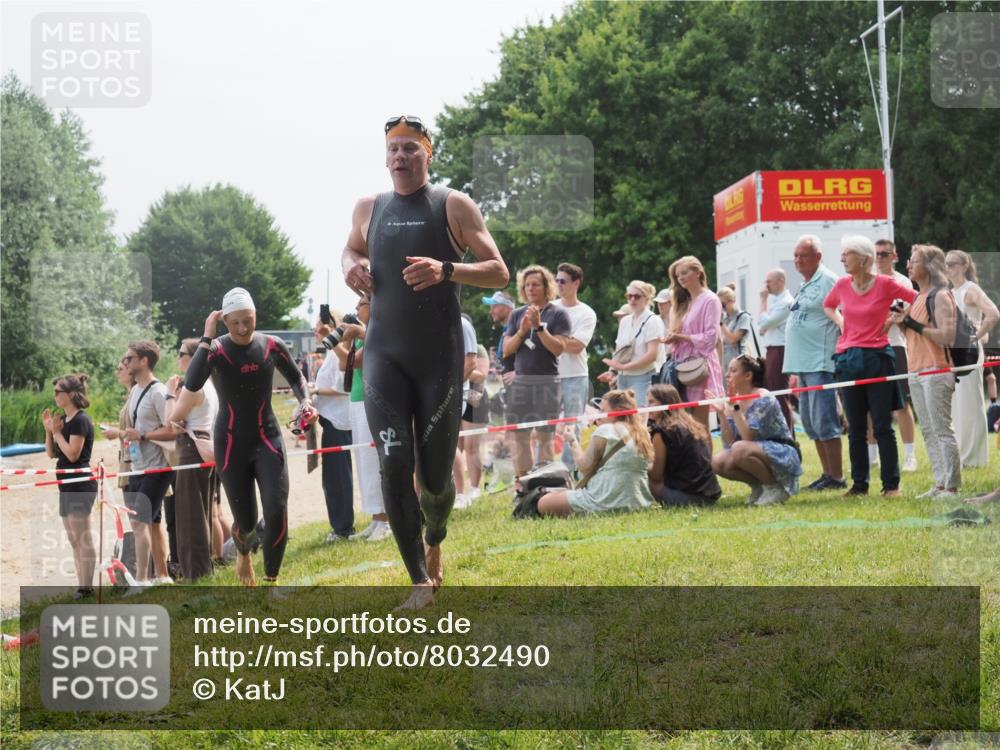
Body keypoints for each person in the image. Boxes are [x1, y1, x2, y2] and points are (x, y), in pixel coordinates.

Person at [341, 115, 509, 609]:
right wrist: (352, 268)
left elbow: (499, 272)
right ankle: (418, 581)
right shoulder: (369, 207)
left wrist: (448, 269)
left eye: (410, 148)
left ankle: (436, 535)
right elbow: (350, 250)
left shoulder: (451, 205)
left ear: (428, 154)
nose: (400, 156)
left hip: (438, 356)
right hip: (383, 356)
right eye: (393, 148)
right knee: (394, 466)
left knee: (435, 482)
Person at [184, 288, 317, 586]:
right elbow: (192, 384)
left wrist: (304, 401)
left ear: (256, 316)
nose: (243, 329)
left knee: (276, 509)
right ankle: (243, 553)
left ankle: (271, 581)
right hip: (231, 444)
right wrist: (207, 336)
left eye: (249, 320)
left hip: (267, 439)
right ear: (224, 322)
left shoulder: (272, 345)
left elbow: (296, 378)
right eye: (235, 323)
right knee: (246, 523)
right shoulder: (216, 350)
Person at [824, 236, 917, 497]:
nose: (842, 258)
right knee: (855, 428)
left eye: (847, 254)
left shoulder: (887, 284)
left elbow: (916, 298)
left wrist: (896, 316)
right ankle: (860, 485)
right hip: (848, 359)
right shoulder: (842, 285)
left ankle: (891, 485)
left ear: (863, 259)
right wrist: (842, 324)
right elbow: (829, 306)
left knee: (882, 425)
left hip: (878, 358)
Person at [887, 245, 961, 498]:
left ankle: (951, 486)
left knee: (942, 429)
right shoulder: (917, 298)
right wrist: (902, 323)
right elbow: (913, 336)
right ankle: (939, 483)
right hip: (916, 370)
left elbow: (946, 336)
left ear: (929, 266)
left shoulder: (941, 296)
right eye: (909, 260)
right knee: (928, 430)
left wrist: (912, 324)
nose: (908, 265)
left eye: (914, 260)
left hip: (937, 370)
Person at [321, 296, 392, 542]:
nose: (356, 309)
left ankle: (386, 520)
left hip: (373, 400)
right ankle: (376, 518)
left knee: (375, 460)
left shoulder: (377, 330)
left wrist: (334, 341)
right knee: (364, 461)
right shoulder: (362, 334)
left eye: (361, 304)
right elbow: (347, 366)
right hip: (357, 399)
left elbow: (352, 362)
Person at [783, 235, 846, 491]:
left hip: (821, 363)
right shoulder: (806, 284)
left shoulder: (829, 280)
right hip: (804, 365)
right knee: (810, 422)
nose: (798, 260)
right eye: (796, 255)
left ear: (818, 257)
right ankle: (826, 473)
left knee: (825, 421)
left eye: (804, 255)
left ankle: (837, 476)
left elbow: (845, 314)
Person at [536, 389, 656, 516]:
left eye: (603, 411)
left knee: (542, 502)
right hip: (637, 502)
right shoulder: (642, 433)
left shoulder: (606, 430)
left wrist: (572, 441)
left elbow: (584, 467)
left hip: (604, 500)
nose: (599, 414)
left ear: (618, 411)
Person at [503, 265, 571, 476]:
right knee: (519, 436)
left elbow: (559, 349)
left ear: (546, 287)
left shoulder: (559, 314)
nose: (530, 289)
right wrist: (523, 331)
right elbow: (507, 350)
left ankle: (543, 484)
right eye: (527, 285)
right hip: (521, 382)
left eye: (535, 285)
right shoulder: (516, 315)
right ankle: (523, 484)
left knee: (544, 436)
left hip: (547, 382)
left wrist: (539, 327)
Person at [708, 356, 803, 506]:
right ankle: (760, 487)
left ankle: (774, 488)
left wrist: (735, 407)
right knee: (717, 462)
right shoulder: (734, 400)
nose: (727, 375)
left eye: (733, 370)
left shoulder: (763, 398)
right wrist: (722, 414)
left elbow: (747, 437)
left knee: (739, 448)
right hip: (752, 450)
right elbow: (730, 443)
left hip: (783, 451)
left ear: (748, 376)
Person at [163, 339, 218, 581]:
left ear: (193, 358)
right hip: (205, 444)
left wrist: (168, 394)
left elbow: (171, 423)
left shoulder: (193, 387)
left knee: (189, 513)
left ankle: (195, 572)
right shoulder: (212, 383)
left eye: (181, 353)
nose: (178, 358)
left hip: (191, 448)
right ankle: (202, 568)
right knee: (203, 510)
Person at [122, 341, 175, 589]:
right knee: (152, 522)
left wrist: (142, 436)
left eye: (129, 358)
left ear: (144, 361)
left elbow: (172, 430)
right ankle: (162, 576)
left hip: (157, 467)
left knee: (139, 522)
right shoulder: (134, 392)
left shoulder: (158, 391)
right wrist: (127, 436)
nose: (125, 363)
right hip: (136, 465)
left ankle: (142, 580)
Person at [43, 374, 97, 598]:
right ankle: (81, 585)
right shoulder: (63, 421)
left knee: (82, 536)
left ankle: (86, 587)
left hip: (80, 483)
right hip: (65, 484)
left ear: (71, 394)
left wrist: (56, 433)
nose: (54, 395)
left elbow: (73, 455)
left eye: (58, 392)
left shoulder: (81, 420)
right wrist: (49, 430)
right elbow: (51, 454)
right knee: (73, 538)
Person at [946, 249, 999, 468]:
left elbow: (993, 313)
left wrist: (975, 336)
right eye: (946, 264)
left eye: (953, 264)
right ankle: (961, 453)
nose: (948, 268)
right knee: (956, 404)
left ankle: (973, 457)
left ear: (964, 266)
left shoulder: (971, 289)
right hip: (953, 353)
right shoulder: (950, 291)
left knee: (970, 402)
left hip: (968, 351)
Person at [871, 239, 919, 472]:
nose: (880, 258)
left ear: (894, 256)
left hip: (894, 346)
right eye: (877, 254)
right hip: (870, 347)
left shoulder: (901, 281)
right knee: (869, 406)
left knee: (901, 403)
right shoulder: (868, 279)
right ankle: (872, 456)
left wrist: (872, 326)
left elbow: (893, 315)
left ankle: (910, 455)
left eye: (884, 254)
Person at [663, 256, 724, 433]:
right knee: (685, 424)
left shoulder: (710, 300)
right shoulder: (684, 302)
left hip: (699, 366)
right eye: (677, 275)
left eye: (684, 273)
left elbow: (711, 337)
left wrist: (682, 338)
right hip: (681, 364)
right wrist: (672, 338)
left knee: (700, 424)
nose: (681, 278)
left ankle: (705, 460)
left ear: (698, 272)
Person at [309, 315, 356, 542]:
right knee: (334, 477)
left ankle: (343, 527)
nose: (317, 331)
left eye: (321, 327)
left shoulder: (341, 351)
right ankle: (341, 525)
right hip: (331, 420)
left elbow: (343, 387)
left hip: (338, 422)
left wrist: (316, 392)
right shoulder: (331, 353)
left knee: (338, 477)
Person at [646, 384, 721, 506]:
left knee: (642, 477)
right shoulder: (692, 423)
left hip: (688, 498)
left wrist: (644, 465)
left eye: (651, 402)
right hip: (711, 495)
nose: (647, 407)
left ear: (665, 403)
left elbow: (656, 475)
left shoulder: (661, 431)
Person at [553, 262, 597, 470]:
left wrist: (552, 339)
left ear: (576, 283)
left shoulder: (586, 313)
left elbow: (578, 346)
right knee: (544, 425)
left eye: (563, 281)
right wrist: (563, 339)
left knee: (573, 426)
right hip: (549, 375)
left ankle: (571, 472)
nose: (558, 285)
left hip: (575, 375)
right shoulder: (550, 308)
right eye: (556, 280)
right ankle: (541, 471)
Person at [600, 281, 663, 407]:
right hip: (623, 378)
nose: (632, 299)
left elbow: (652, 355)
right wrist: (612, 371)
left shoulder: (653, 320)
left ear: (646, 298)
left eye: (637, 296)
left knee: (639, 419)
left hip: (644, 377)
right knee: (623, 419)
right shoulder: (625, 321)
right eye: (629, 296)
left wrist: (624, 367)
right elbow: (620, 351)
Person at [756, 268, 795, 431]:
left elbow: (763, 324)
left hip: (780, 349)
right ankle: (780, 430)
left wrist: (763, 301)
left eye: (769, 282)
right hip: (773, 349)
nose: (766, 286)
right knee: (772, 391)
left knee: (778, 393)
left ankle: (788, 434)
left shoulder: (786, 302)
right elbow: (764, 326)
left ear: (780, 281)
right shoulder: (778, 302)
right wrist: (765, 323)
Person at [453, 313, 481, 508]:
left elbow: (480, 375)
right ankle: (458, 489)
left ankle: (471, 488)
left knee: (471, 446)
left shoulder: (477, 349)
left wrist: (451, 384)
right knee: (458, 444)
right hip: (463, 393)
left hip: (475, 398)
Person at [718, 285, 759, 375]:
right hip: (724, 362)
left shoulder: (743, 317)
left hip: (738, 361)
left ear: (732, 301)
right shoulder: (725, 318)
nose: (721, 308)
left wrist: (721, 323)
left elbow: (732, 339)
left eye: (723, 304)